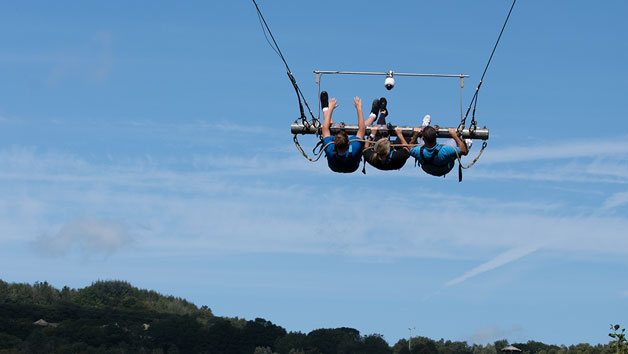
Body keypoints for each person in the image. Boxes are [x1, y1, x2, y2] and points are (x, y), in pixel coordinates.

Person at [321, 91, 366, 173]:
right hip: (352, 167)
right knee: (363, 131)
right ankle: (373, 115)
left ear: (334, 142)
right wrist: (359, 108)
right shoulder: (354, 147)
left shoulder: (330, 148)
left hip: (334, 167)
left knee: (330, 126)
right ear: (349, 143)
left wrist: (330, 108)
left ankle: (325, 109)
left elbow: (325, 128)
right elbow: (362, 129)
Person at [362, 97, 412, 171]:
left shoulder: (373, 157)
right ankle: (382, 112)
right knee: (407, 137)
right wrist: (400, 135)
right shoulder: (397, 156)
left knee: (378, 132)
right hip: (397, 161)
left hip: (386, 158)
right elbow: (407, 150)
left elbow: (365, 148)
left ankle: (382, 113)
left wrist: (372, 135)